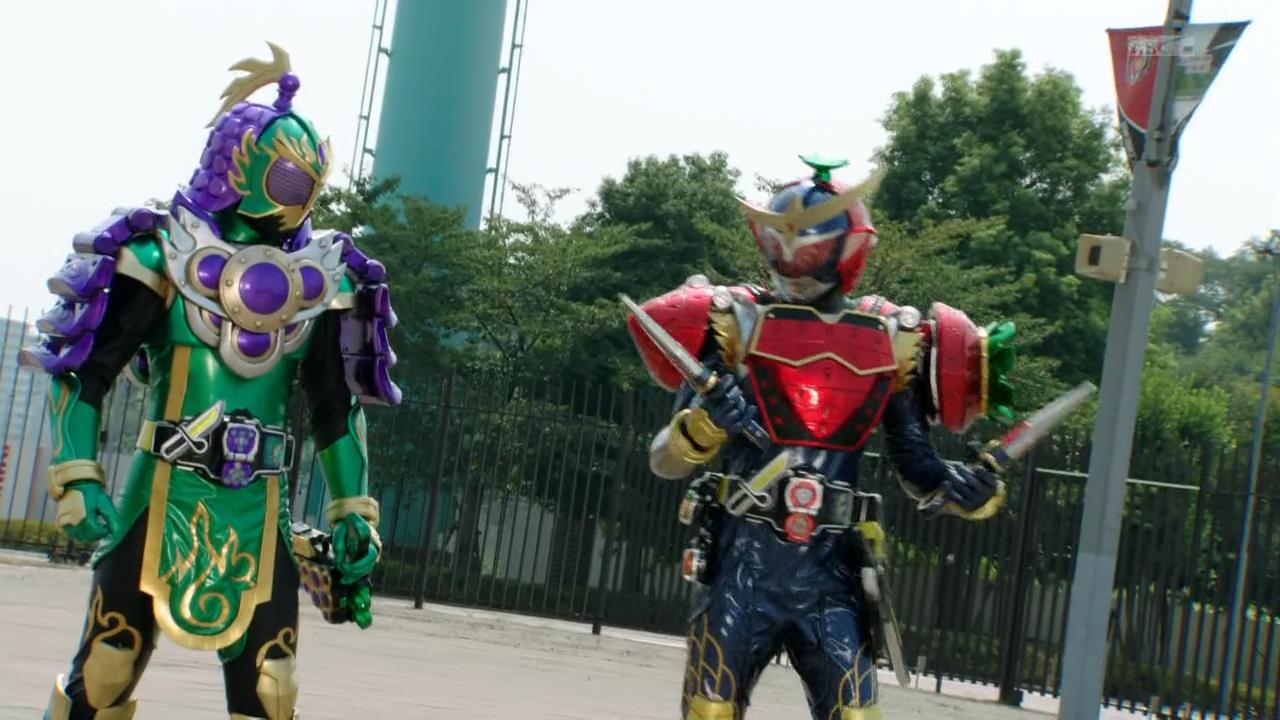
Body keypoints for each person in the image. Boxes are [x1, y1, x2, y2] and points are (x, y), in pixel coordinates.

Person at [20, 43, 401, 720]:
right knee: (105, 672)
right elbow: (83, 371)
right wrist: (77, 475)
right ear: (242, 166)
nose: (301, 196)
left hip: (261, 509)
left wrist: (353, 509)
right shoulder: (158, 256)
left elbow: (335, 409)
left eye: (310, 181)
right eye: (289, 177)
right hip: (158, 499)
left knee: (272, 688)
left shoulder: (323, 282)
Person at [625, 156, 1016, 719]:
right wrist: (704, 425)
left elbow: (918, 466)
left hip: (831, 572)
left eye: (807, 249)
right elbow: (664, 457)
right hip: (743, 563)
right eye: (781, 246)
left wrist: (970, 490)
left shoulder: (892, 338)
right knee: (711, 711)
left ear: (846, 249)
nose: (792, 263)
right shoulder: (734, 324)